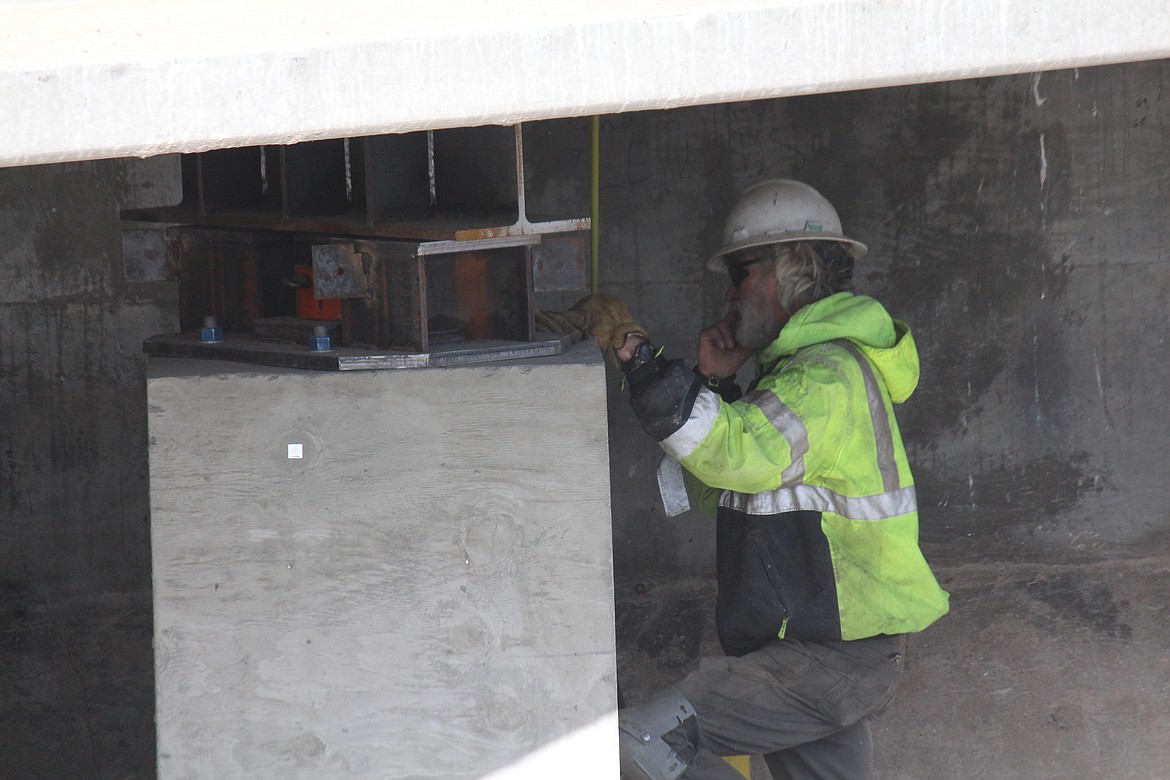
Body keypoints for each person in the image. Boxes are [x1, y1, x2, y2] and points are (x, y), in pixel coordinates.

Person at [609, 179, 950, 780]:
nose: (731, 293)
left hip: (826, 659)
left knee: (637, 742)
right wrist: (712, 385)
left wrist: (646, 367)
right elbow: (721, 484)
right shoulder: (794, 374)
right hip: (823, 656)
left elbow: (735, 451)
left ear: (789, 269)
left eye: (742, 273)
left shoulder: (824, 377)